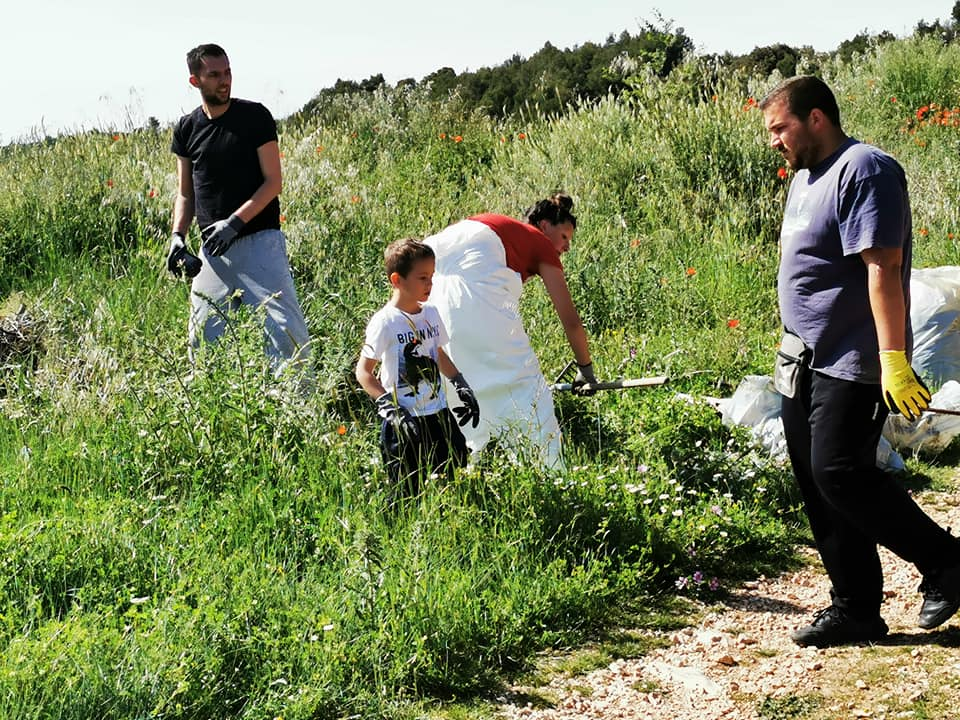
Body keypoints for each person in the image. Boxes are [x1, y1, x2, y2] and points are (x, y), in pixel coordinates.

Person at [760, 75, 960, 648]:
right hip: (801, 358)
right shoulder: (804, 178)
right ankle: (855, 608)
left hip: (853, 357)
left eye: (780, 128)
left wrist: (893, 359)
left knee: (840, 472)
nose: (774, 140)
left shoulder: (865, 169)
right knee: (816, 482)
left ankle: (946, 562)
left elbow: (882, 268)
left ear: (816, 117)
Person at [423, 193, 599, 468]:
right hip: (472, 295)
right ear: (543, 225)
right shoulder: (538, 242)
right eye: (564, 237)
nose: (566, 247)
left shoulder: (490, 225)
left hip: (427, 294)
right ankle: (550, 475)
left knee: (459, 384)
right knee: (524, 385)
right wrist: (586, 370)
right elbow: (571, 321)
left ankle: (473, 464)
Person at [166, 43, 310, 372]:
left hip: (260, 241)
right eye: (214, 74)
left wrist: (234, 222)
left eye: (227, 72)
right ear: (195, 81)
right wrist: (177, 237)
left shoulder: (254, 117)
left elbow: (273, 182)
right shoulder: (187, 128)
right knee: (202, 340)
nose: (224, 80)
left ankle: (299, 412)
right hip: (213, 252)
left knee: (285, 335)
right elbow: (185, 194)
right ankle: (209, 413)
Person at [356, 238, 480, 497]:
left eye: (432, 276)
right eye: (422, 277)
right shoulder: (385, 322)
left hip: (439, 415)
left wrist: (461, 384)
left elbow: (437, 353)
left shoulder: (431, 313)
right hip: (404, 421)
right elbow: (364, 373)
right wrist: (391, 409)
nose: (430, 284)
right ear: (397, 280)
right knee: (406, 491)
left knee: (456, 476)